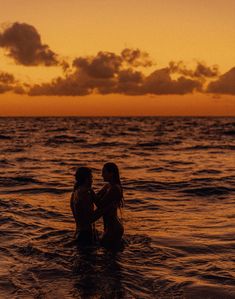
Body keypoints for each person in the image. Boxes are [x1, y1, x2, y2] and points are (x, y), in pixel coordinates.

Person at [91, 162, 124, 249]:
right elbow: (96, 197)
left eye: (104, 172)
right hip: (109, 226)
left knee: (109, 256)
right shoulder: (108, 186)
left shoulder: (115, 188)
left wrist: (90, 190)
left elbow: (100, 204)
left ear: (111, 173)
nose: (102, 175)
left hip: (113, 228)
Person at [70, 167, 96, 246]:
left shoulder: (75, 192)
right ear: (86, 179)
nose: (92, 180)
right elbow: (90, 218)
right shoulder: (85, 193)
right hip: (85, 235)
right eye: (91, 177)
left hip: (78, 232)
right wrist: (107, 207)